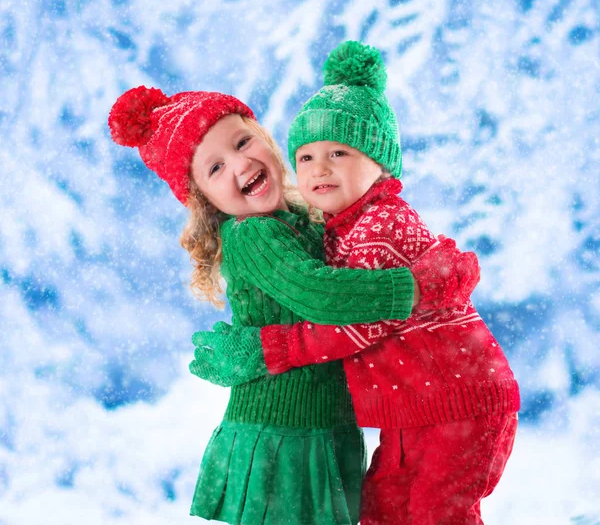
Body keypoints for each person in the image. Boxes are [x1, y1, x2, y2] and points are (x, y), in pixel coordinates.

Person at [193, 41, 520, 525]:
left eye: (339, 152)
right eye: (305, 157)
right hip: (415, 406)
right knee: (383, 507)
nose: (319, 168)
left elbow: (360, 322)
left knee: (436, 512)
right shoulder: (335, 225)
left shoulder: (380, 225)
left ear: (380, 162)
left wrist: (271, 349)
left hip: (459, 404)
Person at [107, 85, 420, 525]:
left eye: (242, 142)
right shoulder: (254, 234)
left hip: (323, 428)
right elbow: (321, 294)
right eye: (216, 167)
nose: (240, 163)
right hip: (282, 437)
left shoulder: (301, 219)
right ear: (204, 200)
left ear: (266, 139)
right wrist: (412, 289)